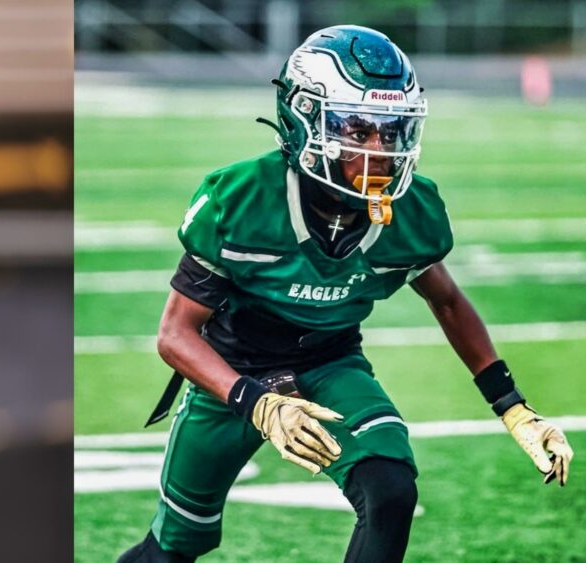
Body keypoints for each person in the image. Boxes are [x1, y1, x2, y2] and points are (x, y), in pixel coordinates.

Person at [117, 25, 572, 563]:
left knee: (390, 491)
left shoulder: (410, 212)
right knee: (173, 547)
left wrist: (512, 407)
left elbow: (446, 299)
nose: (379, 149)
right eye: (359, 127)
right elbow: (175, 334)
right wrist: (256, 403)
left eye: (390, 129)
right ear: (304, 118)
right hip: (233, 372)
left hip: (330, 361)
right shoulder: (240, 198)